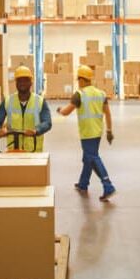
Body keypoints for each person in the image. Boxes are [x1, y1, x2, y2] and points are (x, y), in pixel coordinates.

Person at [57, 65, 116, 201]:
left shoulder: (79, 94)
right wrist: (109, 130)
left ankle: (108, 185)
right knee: (87, 159)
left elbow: (66, 112)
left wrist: (59, 110)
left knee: (93, 158)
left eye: (78, 79)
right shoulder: (101, 93)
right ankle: (83, 184)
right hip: (97, 131)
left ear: (82, 80)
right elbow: (108, 113)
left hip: (87, 133)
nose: (78, 82)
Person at [0, 66, 52, 152]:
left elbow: (47, 122)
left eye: (26, 80)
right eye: (20, 80)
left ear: (31, 82)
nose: (22, 83)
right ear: (16, 83)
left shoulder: (40, 101)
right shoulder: (8, 101)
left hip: (34, 152)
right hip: (14, 151)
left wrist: (36, 131)